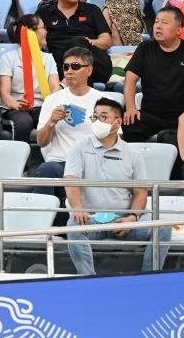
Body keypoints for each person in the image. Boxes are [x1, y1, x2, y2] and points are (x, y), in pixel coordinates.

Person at [64, 96, 171, 276]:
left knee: (163, 227)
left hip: (124, 218)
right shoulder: (79, 148)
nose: (97, 121)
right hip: (92, 218)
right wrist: (78, 208)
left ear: (118, 122)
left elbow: (140, 192)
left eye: (104, 117)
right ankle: (88, 280)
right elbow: (71, 181)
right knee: (73, 227)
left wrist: (132, 218)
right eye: (95, 117)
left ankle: (148, 279)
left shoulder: (132, 153)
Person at [122, 6, 184, 142]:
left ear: (178, 30)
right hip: (151, 115)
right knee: (129, 123)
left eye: (165, 23)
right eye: (156, 22)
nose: (158, 26)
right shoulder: (145, 48)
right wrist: (131, 108)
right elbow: (130, 78)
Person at [34, 46, 103, 192]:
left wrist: (100, 126)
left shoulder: (103, 100)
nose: (69, 71)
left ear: (89, 70)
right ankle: (45, 208)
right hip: (61, 162)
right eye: (66, 67)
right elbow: (41, 142)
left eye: (75, 66)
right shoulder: (52, 100)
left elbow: (115, 138)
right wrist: (51, 122)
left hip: (94, 163)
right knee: (46, 169)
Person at [36, 0, 112, 85]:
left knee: (79, 42)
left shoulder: (92, 10)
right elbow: (34, 36)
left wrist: (89, 42)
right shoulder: (45, 12)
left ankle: (68, 85)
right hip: (59, 65)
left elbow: (106, 41)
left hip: (94, 64)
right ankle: (79, 89)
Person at [0, 14, 60, 143]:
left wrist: (50, 104)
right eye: (43, 28)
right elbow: (4, 93)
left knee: (54, 120)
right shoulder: (9, 57)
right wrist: (16, 105)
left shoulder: (48, 58)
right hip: (16, 107)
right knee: (24, 121)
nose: (46, 32)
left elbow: (55, 87)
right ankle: (21, 155)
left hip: (41, 106)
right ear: (30, 32)